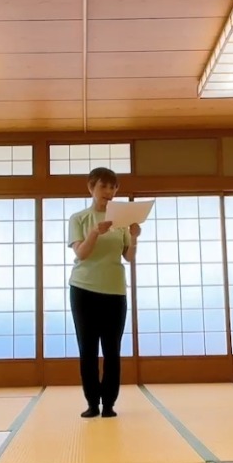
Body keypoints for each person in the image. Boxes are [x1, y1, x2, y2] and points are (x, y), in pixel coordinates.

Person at [68, 167, 139, 419]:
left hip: (115, 291)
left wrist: (134, 237)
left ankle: (108, 404)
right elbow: (81, 253)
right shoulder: (79, 218)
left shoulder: (121, 221)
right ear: (91, 188)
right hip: (83, 290)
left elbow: (128, 257)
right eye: (103, 186)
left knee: (112, 350)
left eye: (113, 187)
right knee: (87, 349)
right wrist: (95, 232)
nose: (109, 192)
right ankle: (92, 403)